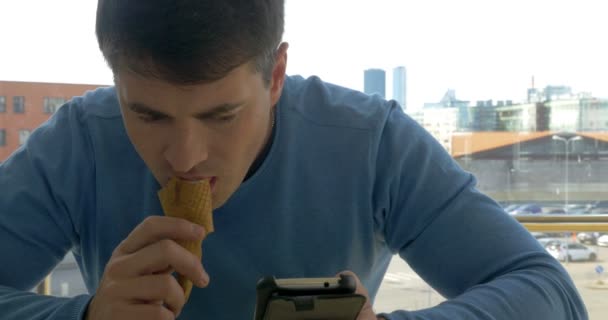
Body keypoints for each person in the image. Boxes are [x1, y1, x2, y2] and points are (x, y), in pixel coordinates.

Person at [0, 1, 588, 319]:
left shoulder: (370, 142)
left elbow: (552, 294)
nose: (184, 158)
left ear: (275, 76)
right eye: (147, 115)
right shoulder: (77, 142)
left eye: (221, 115)